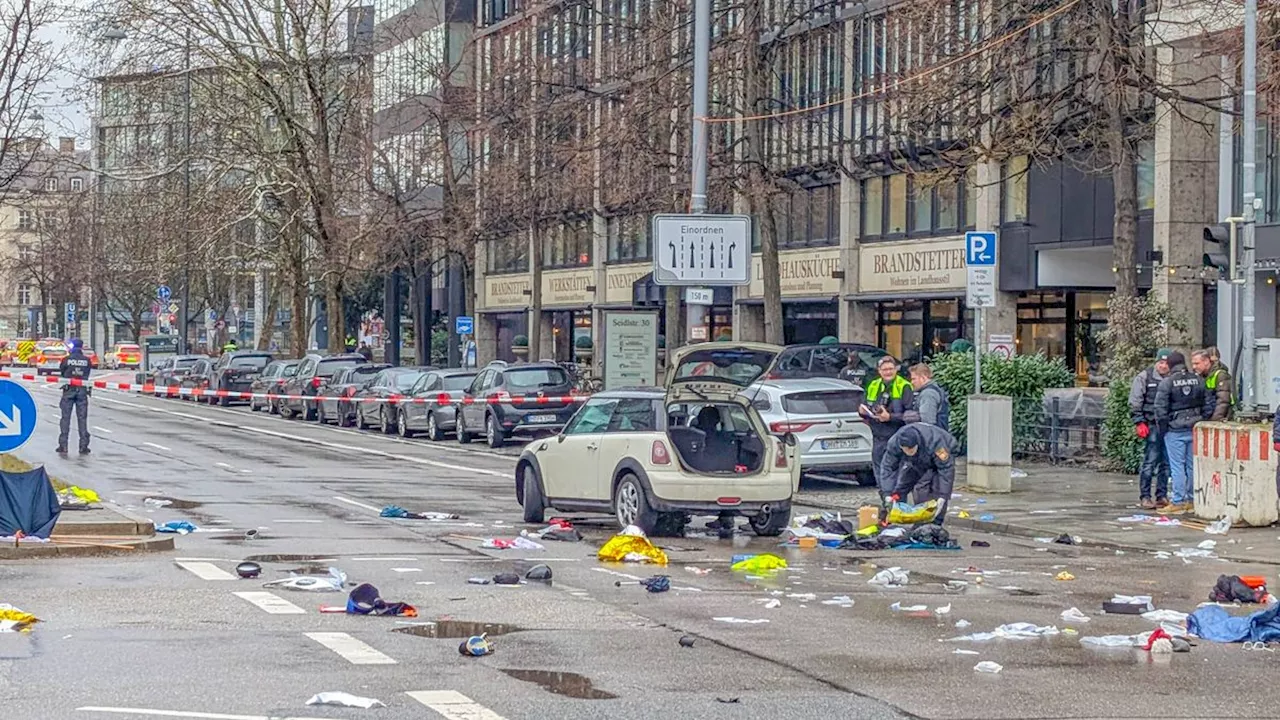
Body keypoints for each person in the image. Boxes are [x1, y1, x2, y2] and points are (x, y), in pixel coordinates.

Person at [1154, 350, 1213, 515]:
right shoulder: (1198, 380)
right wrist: (1202, 419)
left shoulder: (1167, 382)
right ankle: (1191, 500)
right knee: (1191, 465)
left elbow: (1160, 409)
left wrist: (1163, 428)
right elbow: (1209, 403)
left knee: (1177, 466)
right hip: (1194, 426)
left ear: (1170, 365)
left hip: (1175, 428)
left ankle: (1178, 501)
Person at [877, 423, 958, 526]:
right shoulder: (894, 444)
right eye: (906, 450)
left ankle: (934, 523)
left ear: (917, 444)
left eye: (911, 449)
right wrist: (887, 493)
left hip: (942, 455)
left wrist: (943, 495)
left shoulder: (937, 444)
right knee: (901, 486)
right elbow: (888, 467)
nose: (908, 452)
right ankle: (893, 515)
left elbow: (946, 470)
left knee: (935, 491)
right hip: (917, 461)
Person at [860, 355, 914, 492]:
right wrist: (863, 412)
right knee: (880, 474)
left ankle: (896, 503)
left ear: (896, 369)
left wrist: (890, 417)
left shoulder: (904, 386)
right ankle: (886, 502)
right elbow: (866, 405)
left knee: (896, 474)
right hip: (878, 436)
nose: (888, 372)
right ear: (879, 370)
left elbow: (911, 415)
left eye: (891, 369)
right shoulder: (873, 385)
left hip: (897, 435)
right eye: (885, 369)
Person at [1128, 348, 1172, 509]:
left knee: (1166, 464)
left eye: (1166, 363)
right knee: (1150, 462)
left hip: (1168, 426)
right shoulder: (1144, 377)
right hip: (1151, 424)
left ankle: (1162, 495)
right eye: (1161, 362)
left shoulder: (1173, 378)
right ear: (1156, 362)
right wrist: (1139, 422)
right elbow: (1135, 401)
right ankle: (1145, 496)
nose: (1163, 366)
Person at [57, 338, 93, 456]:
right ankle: (83, 446)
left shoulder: (66, 359)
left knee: (65, 418)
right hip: (82, 391)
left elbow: (62, 372)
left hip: (68, 390)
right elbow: (88, 372)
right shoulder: (87, 360)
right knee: (82, 419)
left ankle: (63, 446)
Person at [904, 363, 950, 430]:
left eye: (914, 379)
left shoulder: (928, 394)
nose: (912, 382)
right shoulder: (935, 389)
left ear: (923, 377)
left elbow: (927, 424)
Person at [1192, 347, 1233, 421]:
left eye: (1197, 363)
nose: (1194, 367)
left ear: (1206, 361)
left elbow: (1223, 401)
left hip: (1222, 418)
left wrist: (1214, 420)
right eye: (1193, 364)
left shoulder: (1220, 375)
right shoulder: (1200, 376)